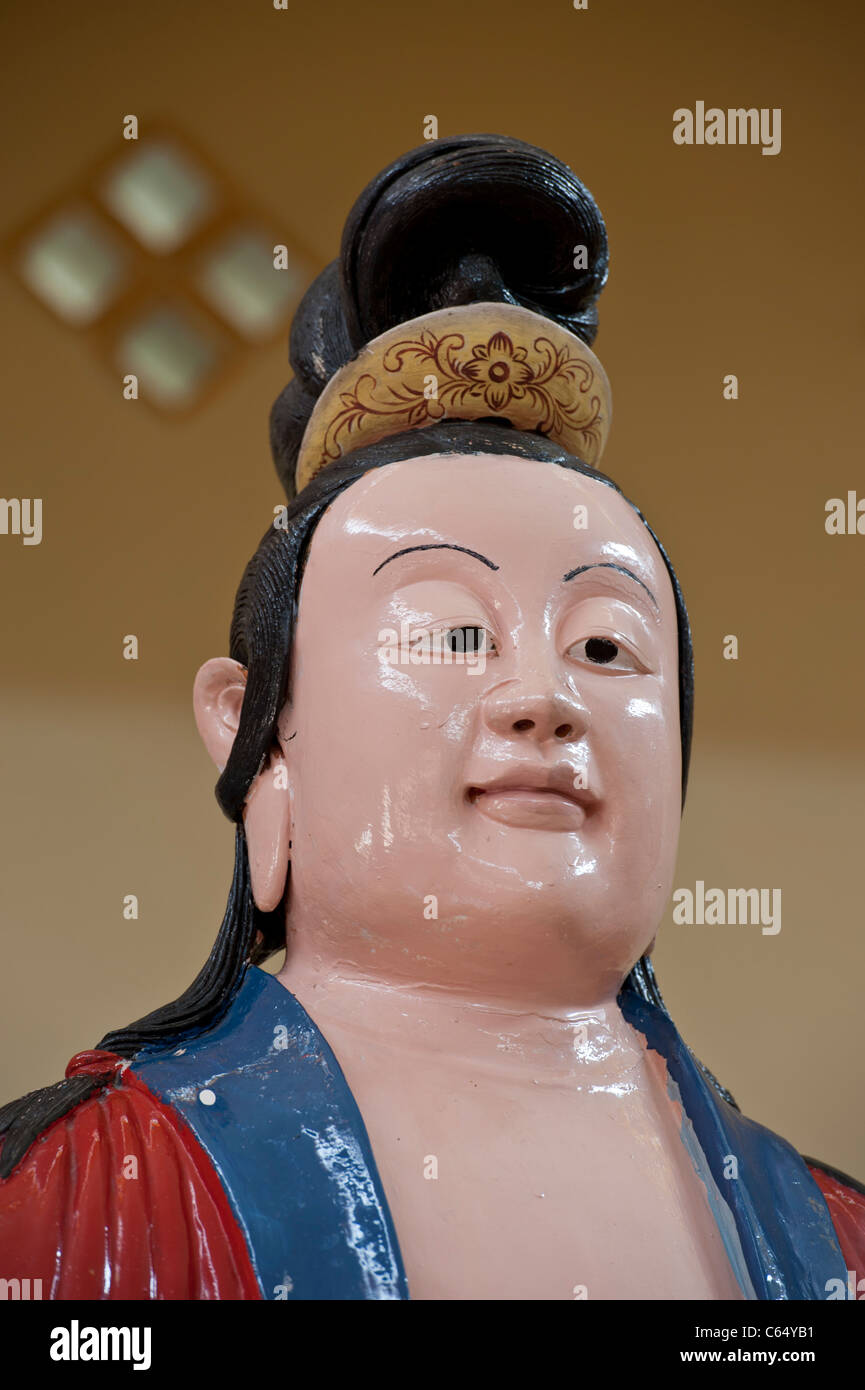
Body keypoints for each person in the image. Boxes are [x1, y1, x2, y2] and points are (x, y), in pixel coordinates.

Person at [1, 134, 862, 1301]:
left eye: (606, 647)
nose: (543, 699)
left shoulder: (829, 1241)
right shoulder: (75, 1199)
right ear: (255, 728)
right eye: (450, 634)